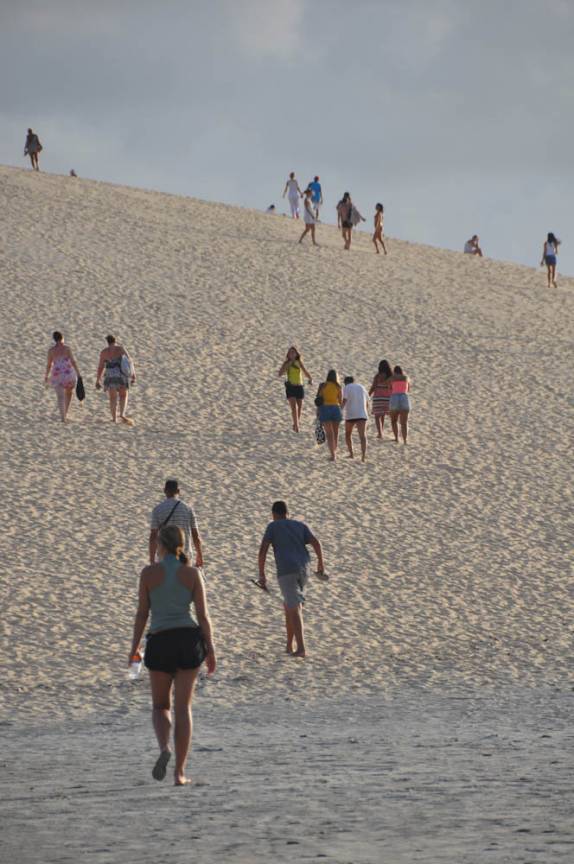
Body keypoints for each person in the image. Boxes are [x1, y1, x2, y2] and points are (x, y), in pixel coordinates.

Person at [129, 524, 216, 785]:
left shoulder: (148, 574)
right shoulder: (192, 573)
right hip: (188, 641)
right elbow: (203, 615)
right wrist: (210, 649)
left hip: (160, 641)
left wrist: (134, 648)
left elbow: (142, 613)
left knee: (160, 706)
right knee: (183, 707)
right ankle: (179, 773)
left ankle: (164, 747)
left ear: (161, 545)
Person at [257, 500, 326, 658]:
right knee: (290, 605)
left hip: (286, 570)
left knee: (294, 608)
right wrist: (321, 564)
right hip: (304, 569)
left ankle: (301, 648)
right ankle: (289, 645)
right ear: (287, 513)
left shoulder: (272, 526)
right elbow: (316, 543)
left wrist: (262, 574)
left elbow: (263, 551)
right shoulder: (300, 525)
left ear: (274, 514)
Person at [149, 479, 204, 567]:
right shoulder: (188, 509)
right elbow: (195, 535)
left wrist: (152, 559)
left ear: (164, 491)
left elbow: (153, 536)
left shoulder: (157, 510)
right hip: (185, 557)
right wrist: (199, 555)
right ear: (178, 491)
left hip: (164, 557)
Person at [95, 334, 136, 424]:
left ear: (107, 342)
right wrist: (133, 375)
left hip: (110, 376)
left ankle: (114, 418)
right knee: (123, 395)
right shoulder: (120, 349)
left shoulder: (104, 352)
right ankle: (122, 414)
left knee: (112, 398)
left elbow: (100, 367)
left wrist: (98, 380)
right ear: (115, 340)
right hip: (121, 375)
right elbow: (130, 361)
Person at [44, 331, 81, 423]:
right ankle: (66, 413)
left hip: (57, 375)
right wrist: (78, 373)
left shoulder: (51, 351)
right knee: (69, 393)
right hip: (68, 373)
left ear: (54, 339)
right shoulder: (67, 349)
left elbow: (49, 365)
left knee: (60, 397)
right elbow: (73, 361)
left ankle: (63, 418)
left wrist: (46, 375)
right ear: (62, 338)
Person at [278, 346, 312, 432]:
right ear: (288, 355)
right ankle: (297, 426)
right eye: (290, 352)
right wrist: (288, 364)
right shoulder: (286, 363)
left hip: (299, 386)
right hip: (290, 387)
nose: (292, 353)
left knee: (299, 407)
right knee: (294, 407)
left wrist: (310, 378)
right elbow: (280, 373)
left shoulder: (299, 362)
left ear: (296, 354)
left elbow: (305, 371)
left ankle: (296, 424)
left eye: (293, 352)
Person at [316, 370, 343, 461]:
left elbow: (318, 400)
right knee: (335, 433)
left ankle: (333, 455)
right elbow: (340, 401)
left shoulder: (323, 385)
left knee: (329, 434)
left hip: (325, 408)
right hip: (336, 409)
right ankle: (335, 451)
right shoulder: (338, 386)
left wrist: (318, 411)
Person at [342, 376, 370, 462]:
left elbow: (344, 400)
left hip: (351, 414)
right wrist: (365, 412)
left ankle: (351, 454)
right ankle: (363, 456)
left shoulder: (346, 387)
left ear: (346, 382)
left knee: (348, 434)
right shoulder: (362, 387)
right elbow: (367, 402)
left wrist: (340, 409)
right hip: (362, 414)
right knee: (363, 436)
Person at [369, 359, 393, 439]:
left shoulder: (377, 376)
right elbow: (392, 388)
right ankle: (381, 431)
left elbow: (373, 387)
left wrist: (368, 394)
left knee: (377, 416)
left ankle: (380, 433)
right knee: (382, 415)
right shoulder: (390, 377)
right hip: (387, 398)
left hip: (378, 398)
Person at [389, 365, 411, 444]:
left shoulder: (392, 379)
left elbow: (390, 389)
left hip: (394, 398)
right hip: (404, 398)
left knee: (394, 420)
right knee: (404, 422)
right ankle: (405, 440)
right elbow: (408, 389)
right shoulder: (406, 378)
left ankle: (396, 438)